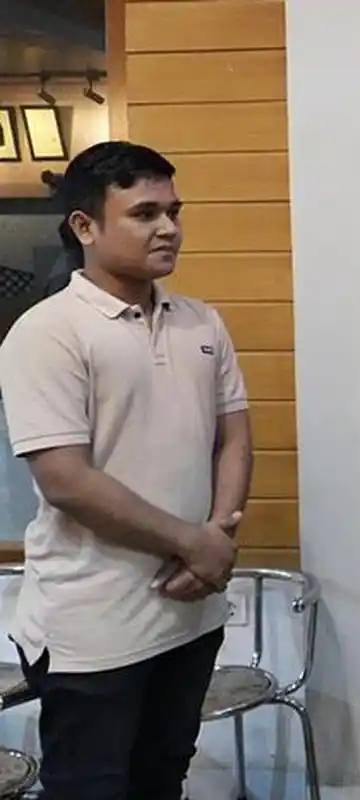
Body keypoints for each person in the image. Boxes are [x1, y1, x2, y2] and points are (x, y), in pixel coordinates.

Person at [0, 140, 251, 799]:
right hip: (94, 627)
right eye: (144, 214)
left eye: (174, 211)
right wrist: (194, 542)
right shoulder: (47, 332)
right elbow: (66, 479)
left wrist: (218, 535)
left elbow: (233, 437)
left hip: (191, 615)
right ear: (85, 226)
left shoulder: (201, 321)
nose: (168, 228)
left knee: (163, 780)